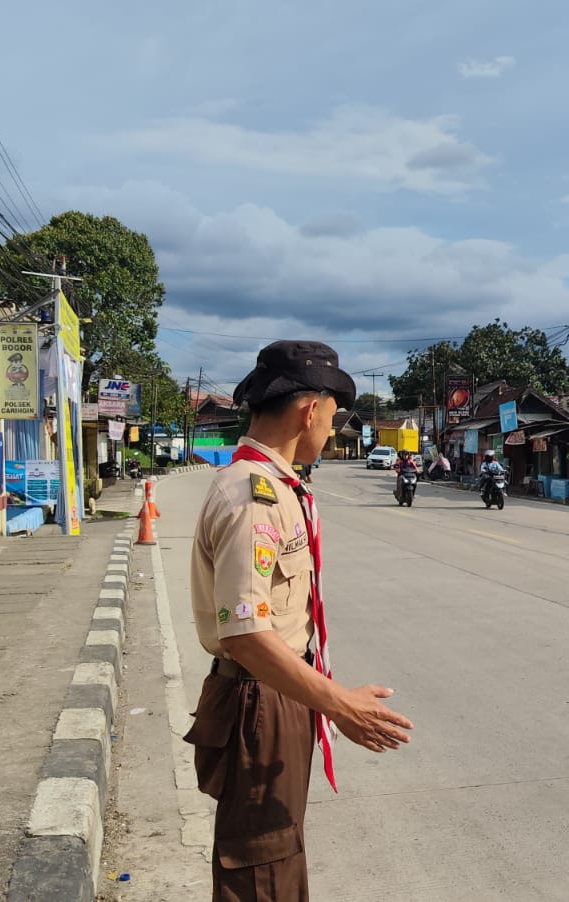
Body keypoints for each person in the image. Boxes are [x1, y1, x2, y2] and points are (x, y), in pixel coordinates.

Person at [186, 340, 413, 899]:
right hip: (258, 702)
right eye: (332, 419)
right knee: (262, 869)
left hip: (277, 693)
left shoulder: (277, 487)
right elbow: (246, 634)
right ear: (310, 411)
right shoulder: (253, 497)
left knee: (278, 856)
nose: (331, 434)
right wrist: (340, 705)